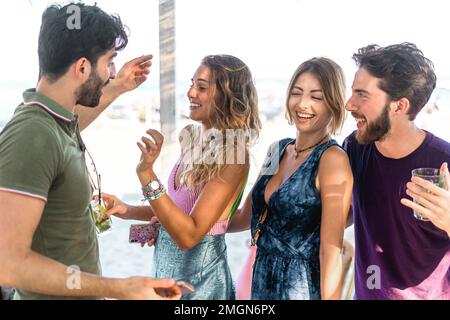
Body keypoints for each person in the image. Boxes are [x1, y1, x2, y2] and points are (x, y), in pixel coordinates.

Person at [0, 3, 181, 300]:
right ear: (82, 67)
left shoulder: (55, 123)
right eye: (109, 62)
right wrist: (119, 288)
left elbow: (64, 133)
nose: (111, 73)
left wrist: (119, 86)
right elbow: (7, 263)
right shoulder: (32, 134)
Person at [101, 54, 262, 299]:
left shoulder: (234, 155)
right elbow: (177, 211)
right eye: (191, 84)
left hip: (203, 287)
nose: (190, 93)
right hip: (166, 277)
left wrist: (146, 174)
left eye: (202, 88)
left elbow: (189, 234)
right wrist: (127, 210)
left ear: (227, 95)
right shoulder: (190, 137)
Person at [227, 57, 353, 300]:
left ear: (333, 104)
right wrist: (191, 225)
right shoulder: (276, 150)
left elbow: (330, 252)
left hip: (301, 287)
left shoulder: (332, 160)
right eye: (297, 93)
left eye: (316, 97)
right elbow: (245, 216)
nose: (303, 104)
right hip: (262, 278)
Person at [343, 43, 450, 300]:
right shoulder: (355, 148)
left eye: (362, 95)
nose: (349, 104)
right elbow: (340, 215)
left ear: (399, 106)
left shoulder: (445, 162)